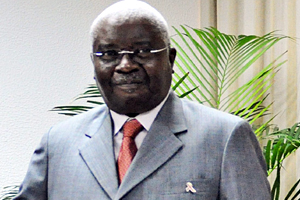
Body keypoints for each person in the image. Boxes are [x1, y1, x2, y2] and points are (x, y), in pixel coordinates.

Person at [14, 0, 271, 199]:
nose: (125, 65)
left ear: (170, 59)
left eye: (143, 51)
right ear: (94, 64)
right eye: (110, 53)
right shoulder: (58, 143)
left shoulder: (224, 137)